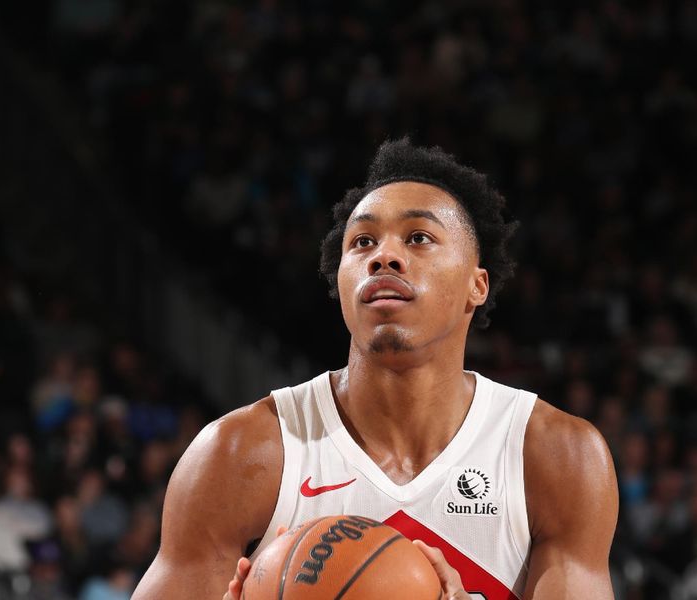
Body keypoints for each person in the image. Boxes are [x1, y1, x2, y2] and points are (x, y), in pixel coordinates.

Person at [132, 139, 618, 600]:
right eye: (362, 241)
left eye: (419, 237)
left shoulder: (556, 457)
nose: (384, 256)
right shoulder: (241, 454)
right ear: (339, 279)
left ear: (478, 284)